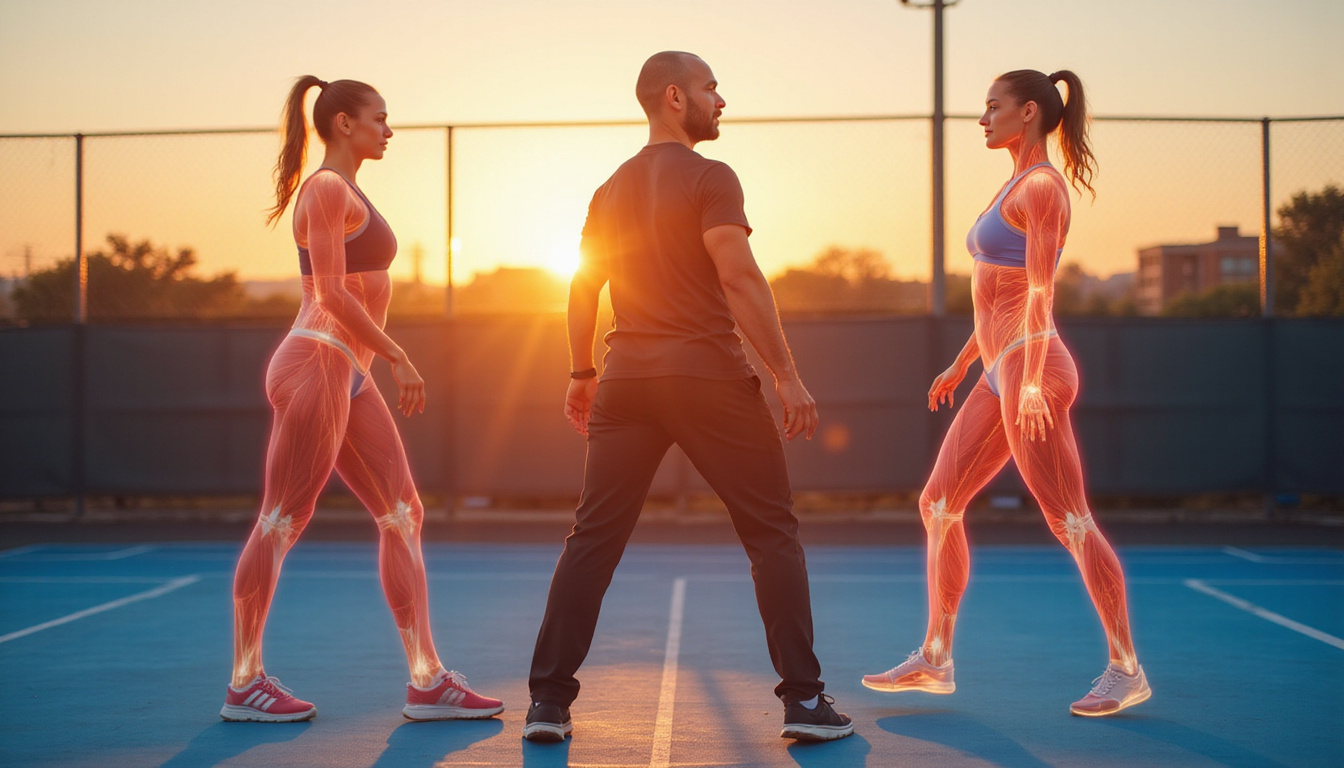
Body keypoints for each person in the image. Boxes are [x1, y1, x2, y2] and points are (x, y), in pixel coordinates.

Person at [523, 52, 853, 744]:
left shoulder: (609, 189)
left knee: (592, 542)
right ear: (675, 98)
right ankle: (804, 702)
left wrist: (581, 372)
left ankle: (548, 704)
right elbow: (738, 275)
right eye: (710, 88)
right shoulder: (712, 177)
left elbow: (584, 288)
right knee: (771, 536)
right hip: (706, 379)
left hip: (628, 383)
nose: (721, 100)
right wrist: (786, 374)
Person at [861, 70, 1150, 717]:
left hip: (1032, 369)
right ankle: (935, 657)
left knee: (1069, 519)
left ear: (1027, 113)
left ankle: (1125, 666)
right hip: (1000, 368)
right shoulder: (1014, 185)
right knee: (938, 504)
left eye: (992, 107)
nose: (982, 118)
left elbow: (1042, 292)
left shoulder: (1044, 187)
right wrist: (965, 362)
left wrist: (1028, 384)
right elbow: (996, 293)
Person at [221, 76, 502, 723]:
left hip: (345, 368)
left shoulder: (346, 192)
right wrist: (399, 355)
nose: (389, 130)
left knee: (403, 512)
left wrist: (376, 360)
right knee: (282, 520)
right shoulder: (323, 188)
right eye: (379, 118)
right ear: (344, 123)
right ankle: (244, 681)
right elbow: (329, 294)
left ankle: (427, 678)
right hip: (316, 362)